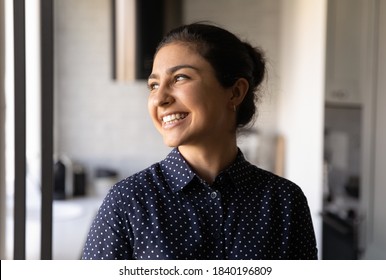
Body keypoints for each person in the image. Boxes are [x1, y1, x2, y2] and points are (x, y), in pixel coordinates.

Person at [81, 23, 318, 260]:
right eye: (153, 85)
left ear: (235, 92)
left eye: (180, 78)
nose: (160, 98)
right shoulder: (127, 201)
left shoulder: (285, 202)